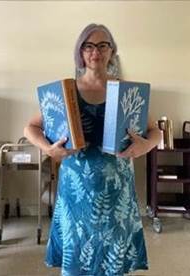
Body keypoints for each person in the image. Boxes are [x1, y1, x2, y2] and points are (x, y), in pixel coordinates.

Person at [24, 23, 161, 276]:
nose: (95, 51)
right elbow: (30, 127)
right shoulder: (66, 92)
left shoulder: (126, 90)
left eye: (102, 45)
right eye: (88, 46)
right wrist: (49, 149)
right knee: (77, 258)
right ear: (80, 52)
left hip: (117, 192)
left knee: (112, 262)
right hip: (76, 194)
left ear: (111, 51)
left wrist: (145, 145)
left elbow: (156, 132)